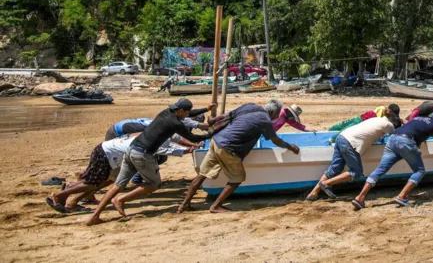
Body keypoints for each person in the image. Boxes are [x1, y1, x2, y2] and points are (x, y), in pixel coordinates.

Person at [86, 99, 215, 226]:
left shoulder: (166, 112)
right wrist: (211, 133)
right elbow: (192, 137)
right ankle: (120, 199)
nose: (187, 115)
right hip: (143, 154)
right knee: (154, 184)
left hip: (131, 149)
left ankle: (94, 216)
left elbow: (190, 114)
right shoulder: (174, 123)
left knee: (118, 184)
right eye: (186, 113)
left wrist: (205, 109)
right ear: (181, 110)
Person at [178, 100, 300, 213]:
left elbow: (227, 115)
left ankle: (184, 204)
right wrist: (290, 147)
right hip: (229, 148)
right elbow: (276, 141)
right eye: (277, 114)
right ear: (273, 112)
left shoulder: (250, 106)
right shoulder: (265, 121)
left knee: (202, 174)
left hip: (216, 141)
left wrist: (213, 120)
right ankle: (216, 206)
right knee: (237, 178)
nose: (277, 117)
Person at [46, 133, 200, 214]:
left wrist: (192, 144)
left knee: (105, 181)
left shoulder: (158, 129)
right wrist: (188, 150)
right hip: (108, 153)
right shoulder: (157, 138)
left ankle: (72, 202)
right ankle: (60, 196)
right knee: (94, 182)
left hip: (112, 152)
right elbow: (166, 149)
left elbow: (175, 138)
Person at [351, 111, 433, 209]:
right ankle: (402, 196)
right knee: (419, 171)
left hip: (393, 139)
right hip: (406, 142)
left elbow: (415, 131)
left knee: (380, 169)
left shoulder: (416, 119)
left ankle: (360, 197)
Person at [307, 105, 403, 201]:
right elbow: (394, 138)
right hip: (350, 143)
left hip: (341, 137)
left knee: (334, 169)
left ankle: (313, 192)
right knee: (356, 172)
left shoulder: (376, 119)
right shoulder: (389, 126)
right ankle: (326, 184)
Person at [328, 105, 403, 132]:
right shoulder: (382, 109)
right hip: (361, 120)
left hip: (364, 121)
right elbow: (378, 122)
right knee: (345, 127)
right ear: (389, 110)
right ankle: (331, 131)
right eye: (393, 114)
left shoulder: (388, 115)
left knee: (346, 125)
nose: (392, 116)